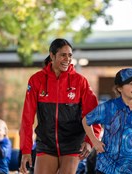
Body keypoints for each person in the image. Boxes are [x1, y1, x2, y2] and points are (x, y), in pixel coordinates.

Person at [19, 38, 101, 174]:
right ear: (52, 55)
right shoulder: (36, 80)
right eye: (63, 55)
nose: (67, 59)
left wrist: (89, 140)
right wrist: (26, 150)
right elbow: (27, 118)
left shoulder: (80, 82)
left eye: (70, 55)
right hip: (46, 143)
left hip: (72, 144)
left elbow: (93, 114)